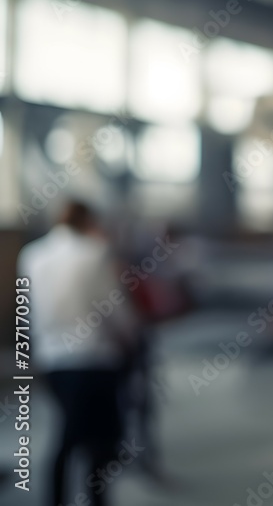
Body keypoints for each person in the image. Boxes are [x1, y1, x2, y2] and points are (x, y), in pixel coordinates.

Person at [18, 200, 137, 506]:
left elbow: (27, 309)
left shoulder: (31, 256)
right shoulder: (95, 254)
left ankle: (56, 498)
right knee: (97, 438)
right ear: (89, 221)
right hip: (94, 358)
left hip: (53, 359)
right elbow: (114, 308)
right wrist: (132, 337)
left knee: (68, 432)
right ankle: (96, 498)